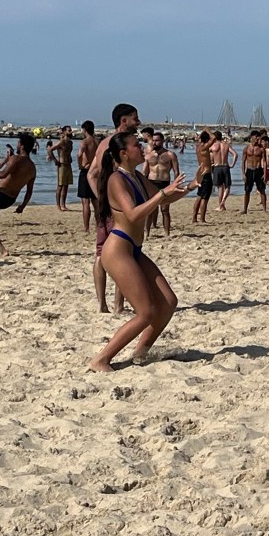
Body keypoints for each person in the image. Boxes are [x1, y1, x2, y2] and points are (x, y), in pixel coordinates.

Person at [89, 131, 188, 372]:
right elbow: (133, 214)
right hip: (118, 250)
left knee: (168, 302)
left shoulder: (136, 176)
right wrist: (163, 193)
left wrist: (190, 187)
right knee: (146, 312)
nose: (143, 148)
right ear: (124, 153)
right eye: (137, 145)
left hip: (133, 248)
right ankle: (101, 360)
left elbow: (162, 200)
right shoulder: (116, 179)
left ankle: (140, 353)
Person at [88, 104, 142, 313]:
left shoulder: (104, 143)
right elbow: (94, 175)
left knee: (102, 253)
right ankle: (116, 305)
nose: (139, 122)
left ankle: (103, 304)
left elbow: (91, 174)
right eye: (135, 118)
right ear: (123, 121)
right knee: (124, 253)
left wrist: (102, 198)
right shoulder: (118, 145)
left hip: (108, 207)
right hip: (118, 208)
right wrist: (109, 199)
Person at [143, 131, 180, 238]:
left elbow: (176, 171)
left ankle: (167, 233)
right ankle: (147, 233)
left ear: (162, 141)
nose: (154, 143)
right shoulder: (148, 156)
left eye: (157, 140)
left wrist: (175, 185)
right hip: (151, 183)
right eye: (153, 141)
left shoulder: (170, 155)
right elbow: (144, 173)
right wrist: (141, 185)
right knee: (150, 210)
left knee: (165, 210)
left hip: (165, 183)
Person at [77, 120, 98, 232]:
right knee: (96, 201)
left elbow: (79, 154)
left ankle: (86, 227)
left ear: (84, 130)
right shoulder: (97, 141)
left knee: (85, 202)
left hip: (86, 171)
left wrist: (80, 165)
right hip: (96, 171)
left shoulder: (84, 142)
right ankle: (99, 225)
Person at [210, 131, 237, 211]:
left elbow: (204, 153)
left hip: (217, 167)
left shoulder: (213, 146)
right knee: (227, 186)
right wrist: (232, 164)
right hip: (225, 166)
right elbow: (235, 154)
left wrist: (210, 163)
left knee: (220, 187)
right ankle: (223, 203)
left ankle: (220, 205)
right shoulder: (226, 145)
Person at [241, 130, 267, 214]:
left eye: (258, 137)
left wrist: (265, 173)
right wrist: (243, 173)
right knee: (247, 190)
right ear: (252, 137)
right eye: (256, 137)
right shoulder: (246, 148)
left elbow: (264, 162)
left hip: (258, 170)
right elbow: (243, 161)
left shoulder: (261, 149)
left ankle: (264, 209)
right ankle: (245, 209)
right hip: (249, 170)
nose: (258, 139)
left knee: (262, 190)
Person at [191, 130, 214, 224]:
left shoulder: (198, 147)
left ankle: (194, 218)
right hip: (206, 174)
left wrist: (202, 134)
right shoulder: (204, 147)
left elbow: (201, 139)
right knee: (205, 198)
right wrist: (207, 129)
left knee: (199, 196)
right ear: (207, 139)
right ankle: (202, 219)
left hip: (200, 174)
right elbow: (213, 138)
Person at [49, 126, 74, 212]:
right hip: (62, 164)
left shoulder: (70, 142)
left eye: (71, 130)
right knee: (60, 186)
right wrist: (55, 160)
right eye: (69, 130)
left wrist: (70, 157)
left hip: (68, 164)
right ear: (64, 132)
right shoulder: (61, 142)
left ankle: (63, 204)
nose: (71, 131)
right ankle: (58, 205)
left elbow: (68, 152)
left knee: (66, 186)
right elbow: (50, 150)